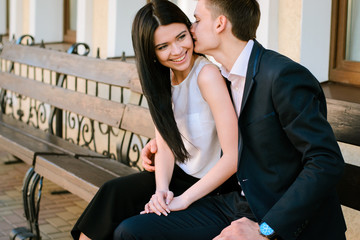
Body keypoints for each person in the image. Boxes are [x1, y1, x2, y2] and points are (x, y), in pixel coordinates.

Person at [116, 0, 347, 239]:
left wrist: (266, 230)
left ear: (220, 23)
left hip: (275, 218)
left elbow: (325, 161)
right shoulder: (226, 77)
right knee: (130, 232)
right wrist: (161, 143)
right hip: (236, 204)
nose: (191, 29)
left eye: (196, 20)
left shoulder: (281, 75)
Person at [71, 0, 238, 239]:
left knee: (125, 229)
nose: (177, 51)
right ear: (151, 53)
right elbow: (166, 143)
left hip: (209, 185)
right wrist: (161, 190)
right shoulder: (164, 80)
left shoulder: (207, 75)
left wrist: (182, 199)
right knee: (112, 193)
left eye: (181, 37)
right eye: (163, 46)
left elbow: (233, 157)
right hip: (178, 176)